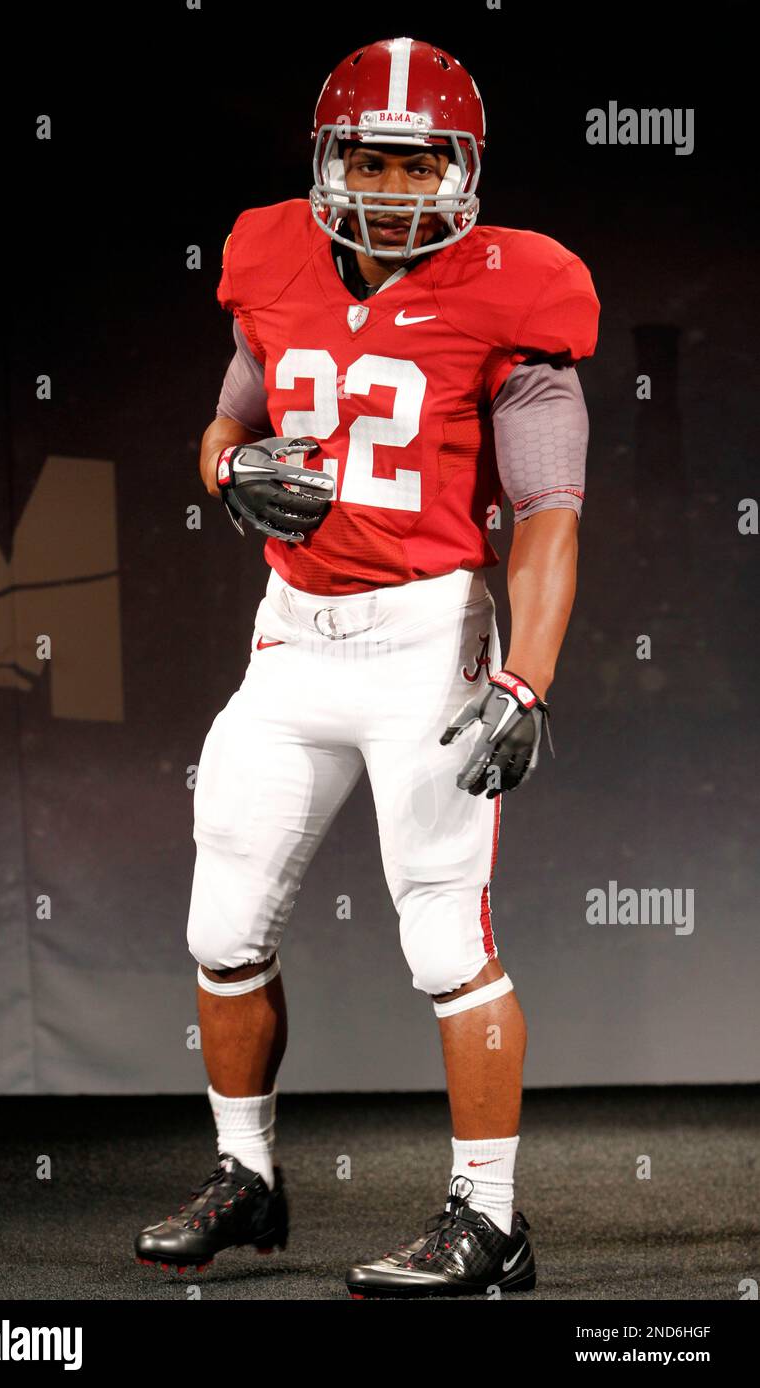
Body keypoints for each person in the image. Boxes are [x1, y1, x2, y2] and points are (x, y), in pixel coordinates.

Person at [135, 34, 599, 1298]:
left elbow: (550, 513)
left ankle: (490, 1221)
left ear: (461, 172)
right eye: (369, 158)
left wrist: (528, 678)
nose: (392, 187)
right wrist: (228, 469)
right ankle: (251, 1177)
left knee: (445, 934)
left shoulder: (518, 289)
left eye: (415, 161)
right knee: (221, 925)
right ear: (327, 159)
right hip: (294, 634)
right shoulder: (272, 255)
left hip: (426, 640)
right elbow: (233, 415)